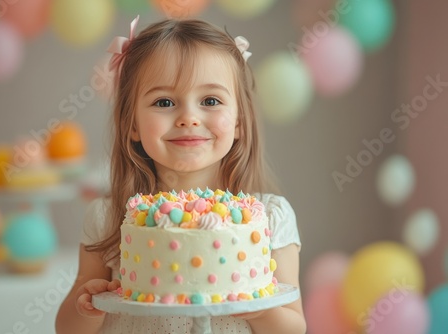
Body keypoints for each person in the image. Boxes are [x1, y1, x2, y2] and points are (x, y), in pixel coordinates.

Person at [56, 16, 305, 334]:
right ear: (132, 124)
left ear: (240, 121)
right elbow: (67, 328)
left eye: (210, 101)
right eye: (164, 102)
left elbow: (294, 328)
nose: (188, 117)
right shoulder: (108, 216)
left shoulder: (269, 217)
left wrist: (255, 306)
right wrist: (87, 307)